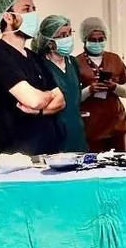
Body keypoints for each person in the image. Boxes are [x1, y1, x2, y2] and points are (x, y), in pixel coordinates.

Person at [0, 0, 66, 156]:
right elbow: (33, 100)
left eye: (34, 9)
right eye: (26, 9)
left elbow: (61, 101)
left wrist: (40, 110)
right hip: (17, 155)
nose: (33, 14)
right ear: (8, 17)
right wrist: (48, 96)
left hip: (47, 150)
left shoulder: (33, 57)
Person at [77, 17, 126, 153]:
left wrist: (114, 87)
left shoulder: (115, 59)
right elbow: (73, 98)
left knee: (120, 160)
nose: (97, 43)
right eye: (93, 40)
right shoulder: (76, 62)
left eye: (101, 39)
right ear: (84, 40)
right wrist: (90, 90)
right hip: (91, 124)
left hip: (116, 122)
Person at [36, 15, 88, 152]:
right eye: (62, 35)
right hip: (55, 135)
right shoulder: (40, 65)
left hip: (77, 132)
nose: (68, 38)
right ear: (49, 42)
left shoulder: (73, 62)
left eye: (70, 33)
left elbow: (75, 96)